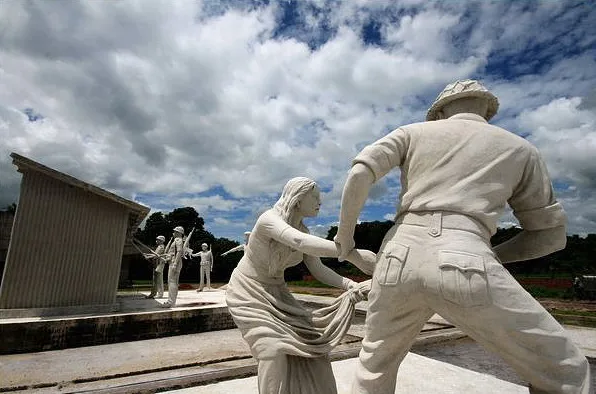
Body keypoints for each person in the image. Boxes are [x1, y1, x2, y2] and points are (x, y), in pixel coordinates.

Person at [334, 79, 591, 394]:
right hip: (466, 253)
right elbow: (550, 236)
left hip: (396, 256)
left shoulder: (411, 132)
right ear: (487, 108)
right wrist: (489, 257)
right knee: (566, 371)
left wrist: (346, 237)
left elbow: (360, 172)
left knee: (374, 366)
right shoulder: (520, 148)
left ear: (440, 111)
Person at [225, 177, 376, 394]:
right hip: (247, 292)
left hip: (278, 294)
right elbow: (298, 242)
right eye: (314, 196)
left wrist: (350, 284)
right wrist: (351, 254)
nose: (320, 201)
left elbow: (318, 269)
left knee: (313, 346)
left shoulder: (304, 231)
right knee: (272, 349)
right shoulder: (269, 219)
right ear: (297, 199)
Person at [162, 226, 184, 308]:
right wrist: (167, 258)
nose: (173, 233)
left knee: (172, 282)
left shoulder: (178, 240)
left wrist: (175, 263)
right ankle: (171, 301)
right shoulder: (176, 240)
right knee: (171, 282)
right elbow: (172, 252)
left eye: (175, 231)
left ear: (179, 233)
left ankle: (171, 302)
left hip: (175, 263)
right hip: (173, 262)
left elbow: (179, 252)